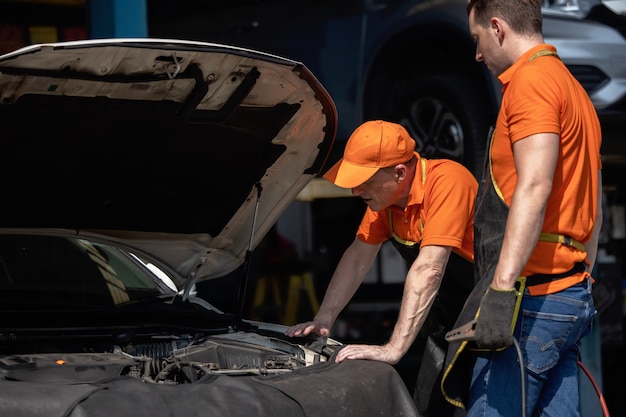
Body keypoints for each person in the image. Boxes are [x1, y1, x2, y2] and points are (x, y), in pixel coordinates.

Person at [441, 1, 603, 416]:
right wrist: (584, 275)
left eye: (477, 39)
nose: (477, 54)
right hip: (568, 294)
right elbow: (595, 205)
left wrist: (500, 289)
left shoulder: (531, 82)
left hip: (532, 299)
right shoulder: (574, 90)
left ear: (497, 28)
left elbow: (534, 184)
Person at [285, 119, 478, 416]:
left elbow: (430, 270)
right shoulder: (384, 204)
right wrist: (324, 319)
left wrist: (393, 349)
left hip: (493, 314)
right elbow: (357, 258)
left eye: (363, 180)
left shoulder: (448, 180)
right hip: (450, 318)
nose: (354, 191)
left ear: (399, 172)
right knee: (433, 407)